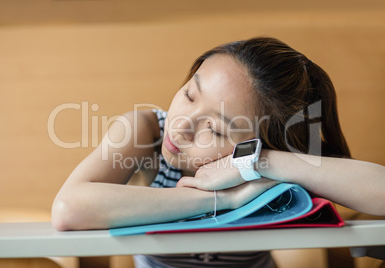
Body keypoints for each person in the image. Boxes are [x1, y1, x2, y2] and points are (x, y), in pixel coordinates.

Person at [52, 37, 385, 267]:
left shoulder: (262, 163)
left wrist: (266, 161)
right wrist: (223, 201)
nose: (181, 126)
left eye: (215, 128)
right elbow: (69, 208)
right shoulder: (148, 131)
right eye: (190, 94)